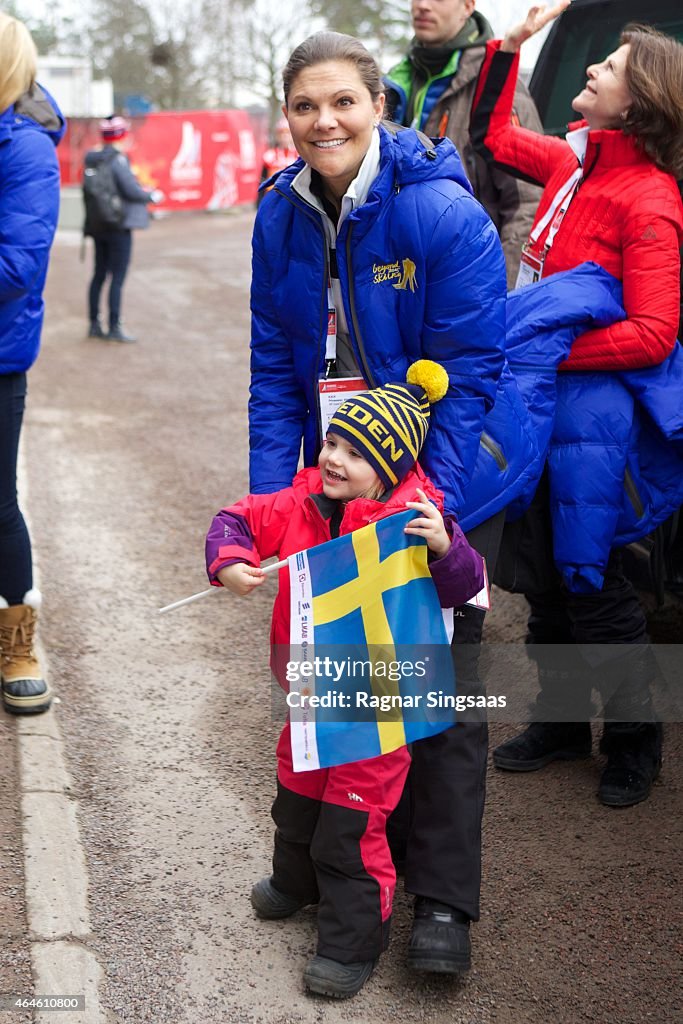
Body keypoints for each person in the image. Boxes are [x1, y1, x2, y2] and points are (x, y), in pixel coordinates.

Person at [248, 30, 539, 977]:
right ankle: (343, 868)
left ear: (379, 103)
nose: (321, 121)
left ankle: (443, 903)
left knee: (437, 690)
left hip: (435, 478)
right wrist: (271, 505)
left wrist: (428, 511)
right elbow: (272, 370)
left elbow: (471, 373)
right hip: (337, 473)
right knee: (345, 674)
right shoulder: (278, 213)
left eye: (340, 101)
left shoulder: (441, 214)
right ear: (285, 115)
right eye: (303, 105)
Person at [206, 367, 486, 997]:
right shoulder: (302, 500)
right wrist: (228, 562)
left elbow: (465, 586)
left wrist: (444, 547)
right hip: (309, 689)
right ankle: (295, 883)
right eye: (333, 442)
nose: (332, 458)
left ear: (390, 466)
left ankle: (350, 942)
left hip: (379, 706)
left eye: (355, 453)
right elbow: (235, 518)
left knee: (351, 825)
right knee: (296, 794)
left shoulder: (418, 518)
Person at [470, 2, 683, 805]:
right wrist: (505, 48)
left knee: (593, 586)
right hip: (538, 407)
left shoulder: (649, 197)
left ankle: (635, 744)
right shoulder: (573, 165)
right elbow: (492, 137)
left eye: (609, 68)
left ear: (634, 102)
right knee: (543, 579)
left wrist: (547, 352)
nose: (590, 70)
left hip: (591, 423)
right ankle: (559, 726)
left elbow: (655, 332)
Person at [384, 0, 543, 286]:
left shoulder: (495, 80)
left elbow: (528, 204)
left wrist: (500, 295)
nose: (422, 6)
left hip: (469, 285)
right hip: (405, 280)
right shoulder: (396, 80)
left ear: (468, 6)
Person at [0, 12, 64, 715]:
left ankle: (17, 639)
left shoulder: (24, 148)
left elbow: (17, 264)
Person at [84, 116, 161, 343]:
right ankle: (115, 326)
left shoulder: (92, 159)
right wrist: (151, 195)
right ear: (122, 135)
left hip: (97, 224)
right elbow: (131, 190)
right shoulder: (118, 159)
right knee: (117, 277)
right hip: (118, 225)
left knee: (98, 274)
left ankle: (94, 324)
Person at [257, 116, 298, 205]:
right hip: (273, 198)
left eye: (287, 133)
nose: (284, 137)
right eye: (281, 134)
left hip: (293, 199)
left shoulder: (299, 155)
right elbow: (263, 180)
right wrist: (259, 202)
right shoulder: (269, 155)